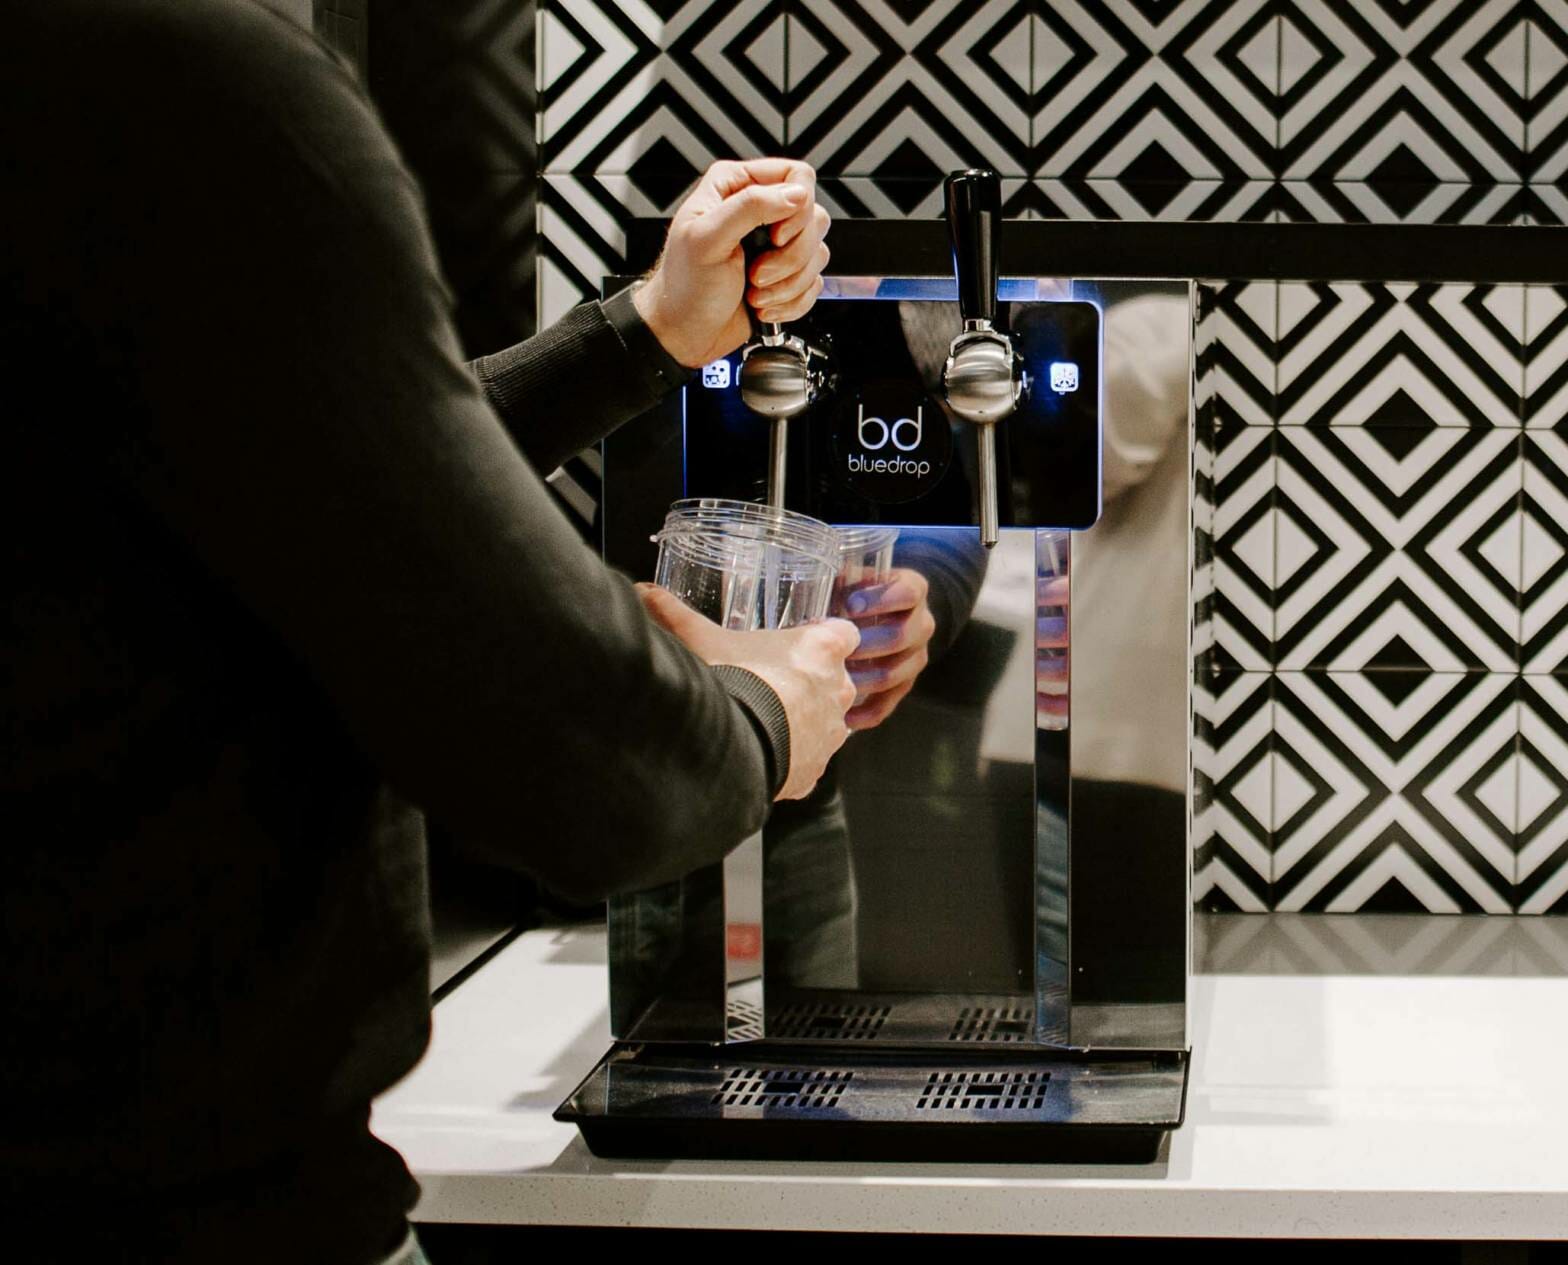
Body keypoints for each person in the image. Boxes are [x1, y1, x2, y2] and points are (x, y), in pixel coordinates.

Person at [0, 1, 930, 1259]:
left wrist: (642, 331)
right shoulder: (195, 87)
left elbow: (312, 485)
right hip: (183, 1210)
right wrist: (770, 711)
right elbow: (584, 766)